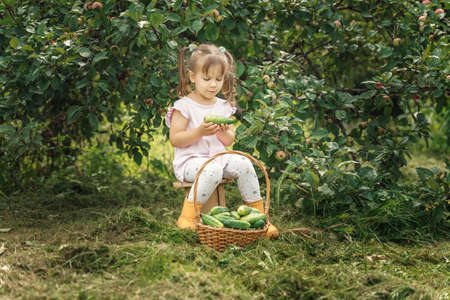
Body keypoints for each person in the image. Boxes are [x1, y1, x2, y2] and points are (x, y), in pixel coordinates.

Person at [164, 43, 278, 239]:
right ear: (193, 77)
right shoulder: (184, 106)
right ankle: (187, 216)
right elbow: (175, 139)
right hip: (190, 162)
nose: (213, 85)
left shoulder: (223, 106)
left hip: (218, 157)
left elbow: (228, 139)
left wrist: (224, 133)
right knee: (213, 169)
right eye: (206, 79)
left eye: (219, 79)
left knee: (244, 163)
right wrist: (199, 131)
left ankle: (260, 217)